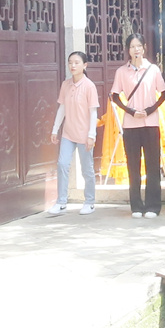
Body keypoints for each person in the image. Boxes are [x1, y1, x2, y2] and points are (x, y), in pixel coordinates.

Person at [109, 35, 165, 218]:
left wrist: (150, 110)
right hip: (131, 124)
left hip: (151, 124)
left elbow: (164, 93)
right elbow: (115, 96)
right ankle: (136, 206)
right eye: (132, 46)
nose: (136, 50)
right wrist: (130, 110)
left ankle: (153, 206)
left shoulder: (152, 70)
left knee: (152, 165)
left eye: (139, 46)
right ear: (128, 50)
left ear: (144, 48)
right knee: (133, 166)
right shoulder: (121, 72)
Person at [48, 51, 101, 215]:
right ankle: (61, 201)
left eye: (77, 62)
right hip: (68, 134)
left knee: (87, 169)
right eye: (70, 62)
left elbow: (93, 113)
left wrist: (91, 135)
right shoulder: (66, 84)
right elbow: (62, 108)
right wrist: (55, 129)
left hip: (85, 135)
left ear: (85, 65)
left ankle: (90, 201)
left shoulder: (89, 86)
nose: (73, 65)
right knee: (62, 164)